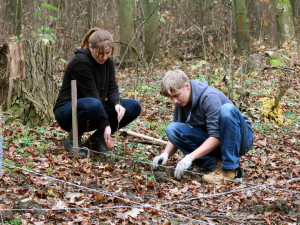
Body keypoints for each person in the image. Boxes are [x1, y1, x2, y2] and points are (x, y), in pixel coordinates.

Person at [152, 69, 253, 182]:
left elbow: (216, 136)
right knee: (172, 129)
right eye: (172, 98)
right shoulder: (181, 102)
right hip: (216, 141)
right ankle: (216, 165)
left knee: (227, 110)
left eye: (176, 95)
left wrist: (190, 157)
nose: (174, 101)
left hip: (240, 139)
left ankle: (231, 169)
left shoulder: (209, 97)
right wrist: (165, 154)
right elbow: (176, 132)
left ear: (187, 86)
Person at [53, 28, 141, 157]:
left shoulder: (108, 63)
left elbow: (112, 87)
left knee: (133, 107)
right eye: (100, 53)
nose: (104, 57)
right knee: (94, 104)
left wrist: (117, 103)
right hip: (68, 113)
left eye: (107, 53)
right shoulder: (80, 62)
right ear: (90, 47)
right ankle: (73, 140)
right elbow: (92, 95)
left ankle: (97, 140)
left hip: (93, 109)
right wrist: (106, 125)